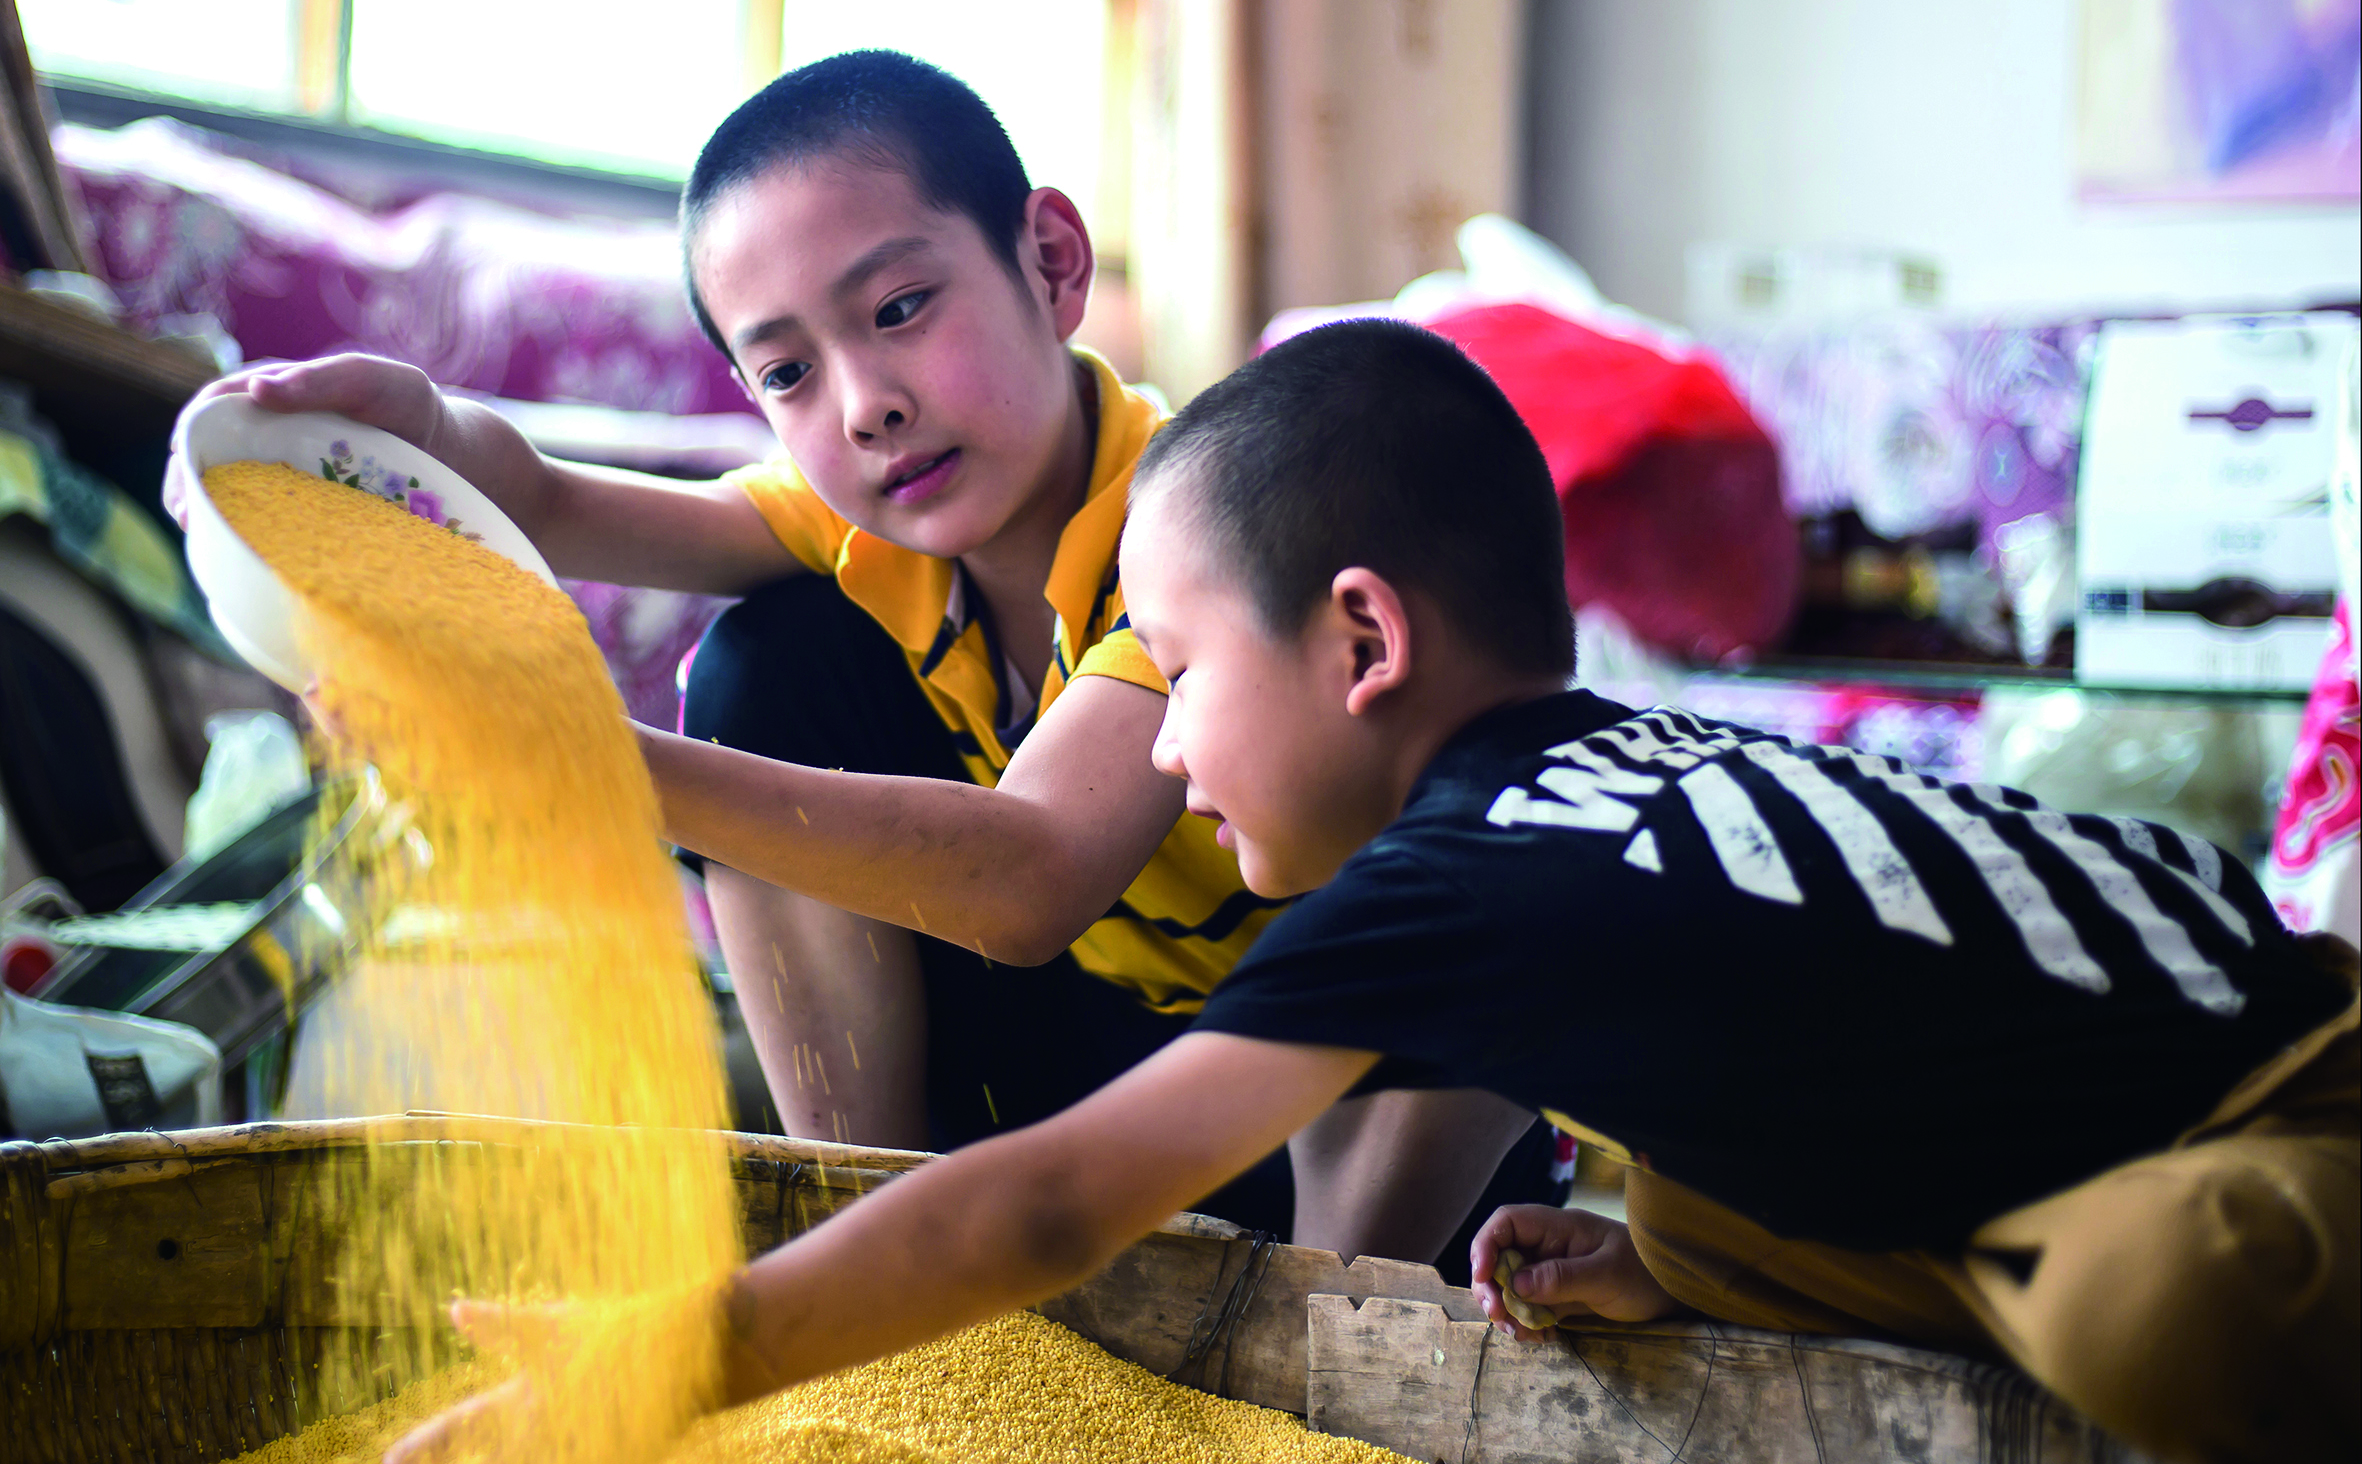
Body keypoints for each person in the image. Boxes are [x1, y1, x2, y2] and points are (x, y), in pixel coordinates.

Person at [391, 318, 2359, 1464]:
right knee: (1680, 1195)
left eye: (1175, 669)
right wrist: (1682, 1269)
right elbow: (1854, 1064)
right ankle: (1843, 1271)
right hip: (2058, 1128)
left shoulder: (1471, 874)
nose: (1165, 746)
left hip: (2288, 1097)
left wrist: (683, 1355)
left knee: (2166, 1302)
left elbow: (1050, 1196)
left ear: (1360, 640)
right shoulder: (1600, 775)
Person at [178, 51, 1553, 1261]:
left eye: (899, 309)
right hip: (1098, 1073)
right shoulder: (857, 525)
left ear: (1051, 262)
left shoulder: (1196, 528)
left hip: (1323, 1099)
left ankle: (1301, 1340)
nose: (866, 404)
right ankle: (863, 1216)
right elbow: (550, 504)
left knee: (1464, 965)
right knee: (762, 661)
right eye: (787, 373)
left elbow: (1029, 879)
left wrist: (574, 749)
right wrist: (426, 429)